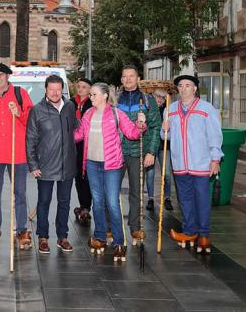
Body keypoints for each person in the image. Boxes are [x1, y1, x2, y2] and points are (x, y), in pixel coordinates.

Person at [74, 83, 146, 261]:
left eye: (94, 94)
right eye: (90, 95)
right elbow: (79, 135)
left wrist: (140, 125)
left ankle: (119, 242)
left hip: (112, 165)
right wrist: (61, 131)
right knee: (97, 202)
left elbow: (132, 134)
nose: (91, 97)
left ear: (105, 96)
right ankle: (100, 237)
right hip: (91, 164)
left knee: (112, 203)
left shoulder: (116, 113)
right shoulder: (88, 114)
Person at [165, 75, 222, 253]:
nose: (183, 89)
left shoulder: (206, 109)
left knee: (202, 200)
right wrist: (163, 128)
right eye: (180, 86)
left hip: (201, 163)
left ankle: (203, 234)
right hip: (180, 163)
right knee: (185, 200)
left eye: (188, 85)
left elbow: (215, 135)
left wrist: (215, 158)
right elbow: (165, 137)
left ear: (195, 89)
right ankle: (190, 231)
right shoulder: (171, 108)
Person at [0, 63, 34, 249]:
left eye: (1, 75)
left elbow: (31, 120)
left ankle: (21, 230)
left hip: (17, 153)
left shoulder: (20, 94)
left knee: (20, 193)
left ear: (7, 77)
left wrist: (18, 113)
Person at [26, 75, 78, 254]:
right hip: (45, 166)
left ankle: (62, 237)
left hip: (67, 164)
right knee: (44, 202)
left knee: (65, 202)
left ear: (62, 89)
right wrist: (33, 164)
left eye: (58, 89)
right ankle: (43, 237)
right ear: (45, 90)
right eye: (51, 89)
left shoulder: (70, 107)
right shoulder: (37, 110)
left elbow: (76, 130)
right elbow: (30, 139)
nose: (55, 93)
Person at [117, 65, 161, 241]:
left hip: (139, 151)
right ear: (121, 80)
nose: (128, 79)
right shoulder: (114, 100)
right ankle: (110, 227)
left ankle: (135, 226)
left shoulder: (147, 100)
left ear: (138, 79)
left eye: (131, 76)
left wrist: (151, 152)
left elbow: (156, 126)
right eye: (125, 76)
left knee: (136, 191)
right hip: (117, 152)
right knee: (111, 191)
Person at [146, 88, 174, 212]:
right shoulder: (148, 109)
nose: (159, 99)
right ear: (153, 95)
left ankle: (167, 197)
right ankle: (151, 198)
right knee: (150, 173)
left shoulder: (167, 111)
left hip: (164, 146)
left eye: (162, 98)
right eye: (157, 96)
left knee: (167, 173)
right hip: (151, 146)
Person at [70, 76, 93, 224]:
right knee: (78, 176)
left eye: (84, 87)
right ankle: (82, 204)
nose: (81, 89)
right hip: (74, 144)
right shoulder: (71, 103)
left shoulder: (92, 103)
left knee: (87, 176)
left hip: (89, 144)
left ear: (90, 89)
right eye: (79, 86)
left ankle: (86, 206)